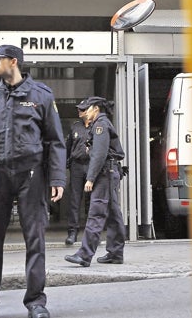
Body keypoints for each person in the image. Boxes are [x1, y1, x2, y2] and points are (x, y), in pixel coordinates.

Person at [0, 45, 66, 318]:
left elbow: (55, 141)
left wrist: (58, 177)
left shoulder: (41, 95)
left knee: (35, 239)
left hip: (31, 175)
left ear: (13, 61)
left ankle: (36, 303)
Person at [64, 96, 126, 267]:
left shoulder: (100, 125)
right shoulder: (101, 124)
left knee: (96, 213)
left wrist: (90, 178)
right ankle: (116, 252)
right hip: (110, 171)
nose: (84, 112)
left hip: (105, 172)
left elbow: (99, 154)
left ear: (96, 109)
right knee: (113, 214)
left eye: (87, 109)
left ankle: (84, 255)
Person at [63, 98, 92, 245]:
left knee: (92, 200)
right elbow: (68, 147)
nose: (79, 111)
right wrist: (68, 163)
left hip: (92, 166)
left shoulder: (97, 126)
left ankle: (91, 233)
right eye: (79, 109)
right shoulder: (75, 127)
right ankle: (72, 232)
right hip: (77, 166)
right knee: (74, 200)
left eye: (82, 109)